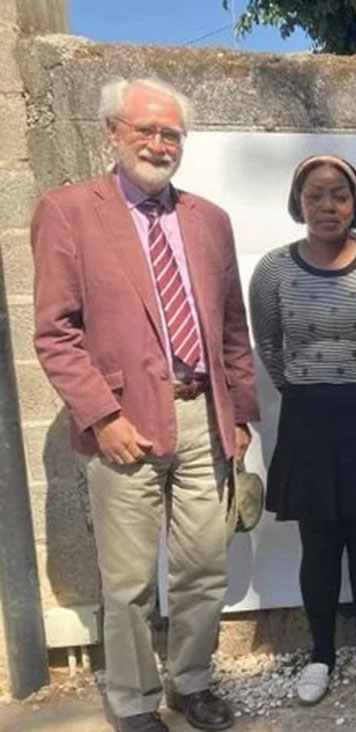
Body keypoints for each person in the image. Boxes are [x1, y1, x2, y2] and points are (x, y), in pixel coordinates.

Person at [30, 78, 258, 732]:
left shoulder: (209, 220)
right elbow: (54, 332)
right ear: (113, 132)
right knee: (128, 581)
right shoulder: (69, 211)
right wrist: (101, 417)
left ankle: (191, 682)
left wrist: (239, 412)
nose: (159, 144)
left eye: (171, 134)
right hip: (124, 422)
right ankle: (132, 700)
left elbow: (232, 326)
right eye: (146, 130)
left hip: (204, 417)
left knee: (203, 568)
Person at [247, 154, 356, 705]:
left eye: (340, 195)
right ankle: (321, 655)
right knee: (319, 544)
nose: (328, 206)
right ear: (298, 202)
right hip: (309, 420)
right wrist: (309, 387)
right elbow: (269, 344)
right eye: (315, 195)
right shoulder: (273, 270)